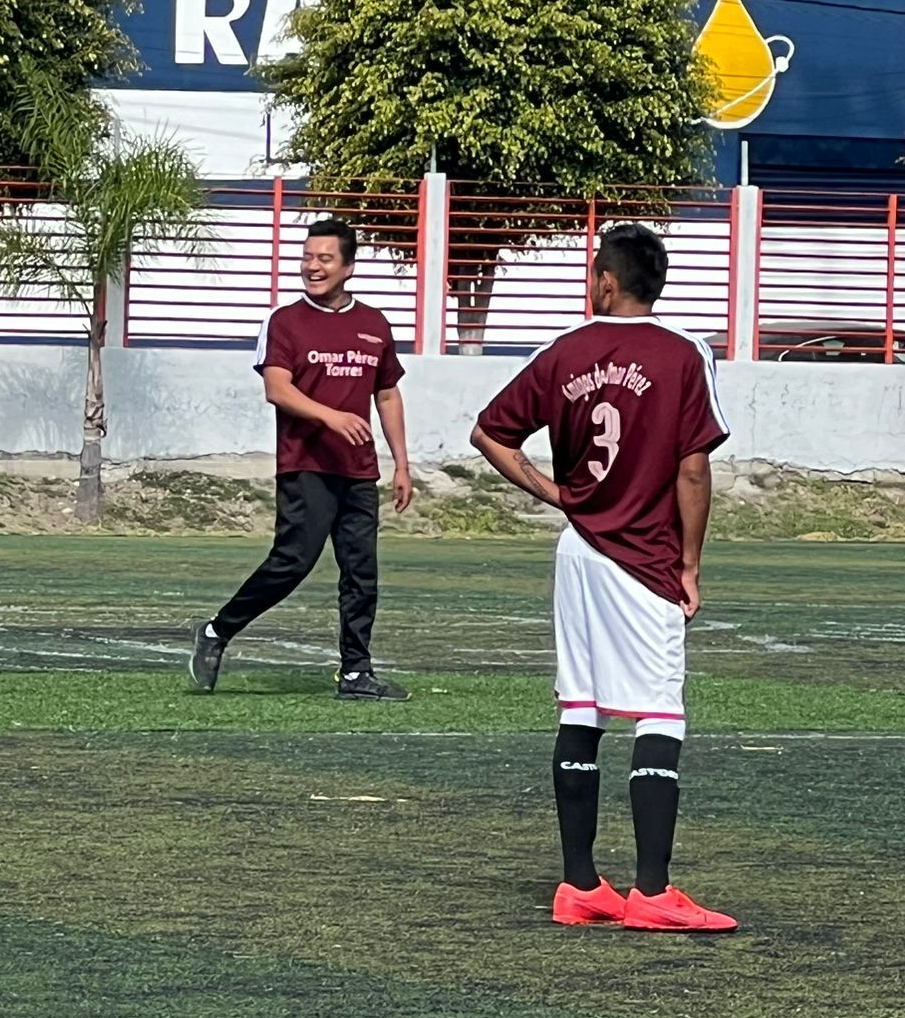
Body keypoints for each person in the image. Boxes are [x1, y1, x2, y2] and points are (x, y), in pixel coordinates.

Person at [470, 222, 736, 933]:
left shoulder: (563, 352)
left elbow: (489, 433)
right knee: (658, 712)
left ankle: (580, 884)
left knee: (581, 709)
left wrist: (552, 493)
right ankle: (652, 892)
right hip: (642, 558)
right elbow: (693, 466)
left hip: (579, 552)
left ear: (605, 282)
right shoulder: (685, 355)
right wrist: (689, 563)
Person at [191, 217, 414, 699]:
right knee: (292, 562)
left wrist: (402, 462)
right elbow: (277, 388)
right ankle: (217, 632)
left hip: (358, 471)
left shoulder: (374, 324)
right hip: (305, 464)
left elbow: (388, 395)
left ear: (349, 267)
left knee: (362, 572)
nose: (312, 266)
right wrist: (330, 417)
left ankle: (356, 671)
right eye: (308, 257)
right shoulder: (284, 320)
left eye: (324, 258)